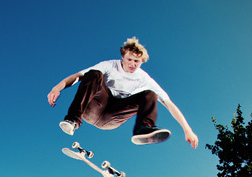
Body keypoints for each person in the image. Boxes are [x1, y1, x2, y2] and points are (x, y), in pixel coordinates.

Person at [47, 36, 199, 148]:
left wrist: (188, 130)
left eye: (137, 61)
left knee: (149, 94)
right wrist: (57, 88)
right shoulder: (109, 65)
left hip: (112, 117)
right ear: (123, 57)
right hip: (94, 108)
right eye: (130, 59)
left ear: (142, 62)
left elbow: (168, 103)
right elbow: (78, 76)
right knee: (93, 74)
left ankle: (143, 128)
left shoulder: (144, 78)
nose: (132, 64)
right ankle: (73, 120)